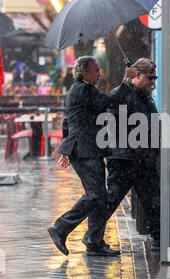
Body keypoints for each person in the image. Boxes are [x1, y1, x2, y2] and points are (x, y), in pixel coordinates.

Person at [47, 55, 137, 257]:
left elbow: (68, 121)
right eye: (96, 70)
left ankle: (94, 242)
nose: (99, 73)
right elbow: (108, 102)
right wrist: (125, 81)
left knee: (101, 197)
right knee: (95, 195)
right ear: (84, 72)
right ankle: (61, 227)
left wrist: (67, 148)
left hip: (86, 148)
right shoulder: (84, 89)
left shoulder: (79, 90)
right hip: (85, 150)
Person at [83, 57, 161, 252]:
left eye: (155, 78)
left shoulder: (146, 96)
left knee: (152, 199)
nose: (152, 82)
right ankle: (92, 238)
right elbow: (114, 125)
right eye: (149, 78)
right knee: (110, 200)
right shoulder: (121, 94)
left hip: (142, 159)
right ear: (136, 76)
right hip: (124, 159)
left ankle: (159, 237)